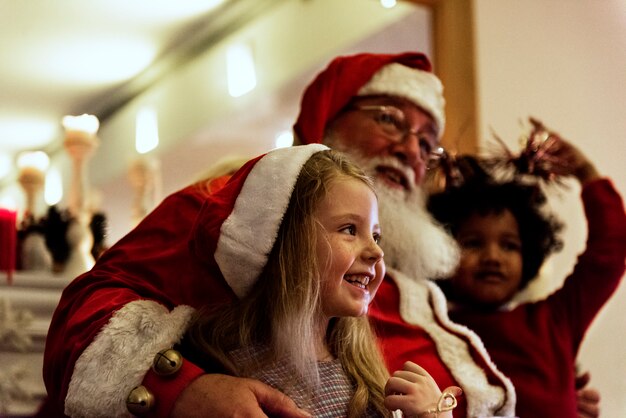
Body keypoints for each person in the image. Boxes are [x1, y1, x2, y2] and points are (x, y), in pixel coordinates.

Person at [39, 51, 591, 417]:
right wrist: (177, 389)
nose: (410, 150)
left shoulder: (416, 282)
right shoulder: (229, 211)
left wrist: (557, 395)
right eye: (390, 120)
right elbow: (86, 317)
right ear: (327, 119)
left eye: (427, 142)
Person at [179, 144, 461, 417]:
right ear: (284, 243)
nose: (376, 251)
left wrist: (433, 414)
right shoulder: (232, 378)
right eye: (350, 229)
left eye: (376, 236)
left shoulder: (361, 371)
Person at [426, 134, 626, 417]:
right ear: (442, 248)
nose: (493, 257)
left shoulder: (554, 321)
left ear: (529, 255)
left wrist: (586, 172)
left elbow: (608, 256)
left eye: (509, 245)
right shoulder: (429, 329)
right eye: (473, 243)